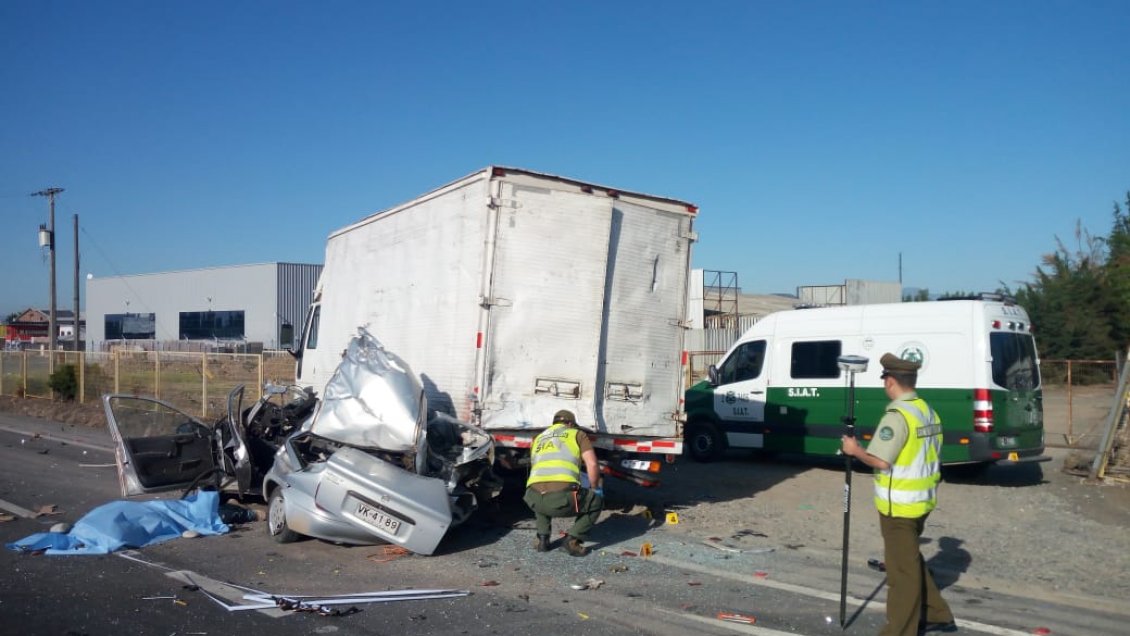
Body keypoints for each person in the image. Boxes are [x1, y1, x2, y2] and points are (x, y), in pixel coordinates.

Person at [841, 353, 958, 636]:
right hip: (921, 500)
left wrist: (855, 451)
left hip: (899, 506)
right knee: (908, 561)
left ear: (890, 381)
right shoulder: (925, 409)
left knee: (901, 573)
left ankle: (899, 631)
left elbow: (881, 461)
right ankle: (937, 614)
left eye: (885, 381)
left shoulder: (897, 415)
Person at [523, 409, 604, 557]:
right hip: (561, 499)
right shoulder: (577, 434)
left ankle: (542, 539)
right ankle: (572, 540)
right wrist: (595, 488)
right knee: (596, 502)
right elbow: (592, 464)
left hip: (532, 497)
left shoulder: (538, 438)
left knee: (541, 494)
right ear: (570, 423)